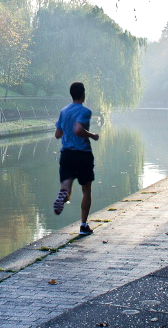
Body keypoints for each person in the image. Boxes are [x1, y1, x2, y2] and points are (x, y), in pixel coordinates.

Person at [53, 82, 99, 236]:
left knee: (66, 188)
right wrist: (92, 135)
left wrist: (67, 132)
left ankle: (63, 195)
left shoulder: (63, 111)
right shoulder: (85, 111)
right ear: (83, 94)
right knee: (86, 190)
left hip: (66, 154)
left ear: (71, 94)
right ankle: (83, 226)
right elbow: (78, 129)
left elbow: (57, 134)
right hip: (82, 154)